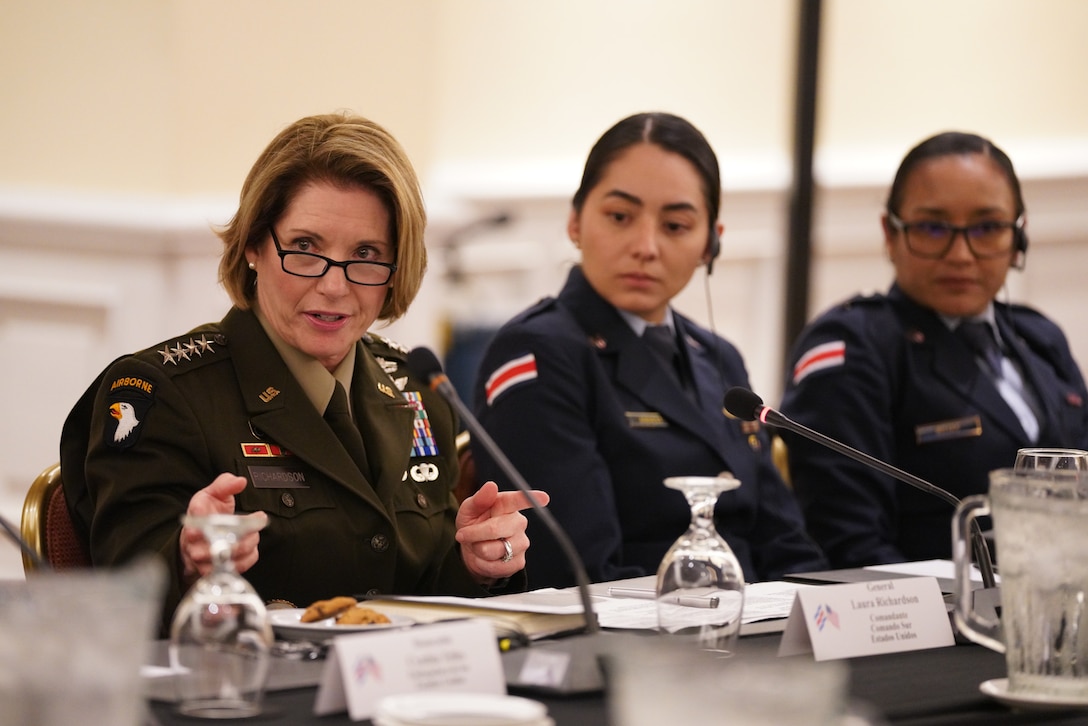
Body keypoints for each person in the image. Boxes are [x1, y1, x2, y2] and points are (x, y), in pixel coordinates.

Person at [59, 112, 548, 625]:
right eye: (305, 248)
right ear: (253, 245)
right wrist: (187, 559)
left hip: (397, 694)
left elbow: (420, 598)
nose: (334, 286)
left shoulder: (418, 391)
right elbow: (120, 604)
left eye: (365, 254)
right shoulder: (162, 395)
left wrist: (476, 565)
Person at [471, 112, 827, 589]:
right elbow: (579, 573)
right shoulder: (539, 353)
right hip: (636, 644)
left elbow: (786, 542)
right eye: (619, 217)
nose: (646, 246)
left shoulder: (720, 357)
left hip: (753, 635)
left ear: (711, 244)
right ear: (575, 221)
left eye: (676, 225)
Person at [779, 131, 1088, 568]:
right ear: (890, 233)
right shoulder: (854, 348)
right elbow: (850, 546)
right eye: (932, 228)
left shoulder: (1039, 340)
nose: (961, 255)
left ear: (1018, 235)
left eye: (986, 228)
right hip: (933, 625)